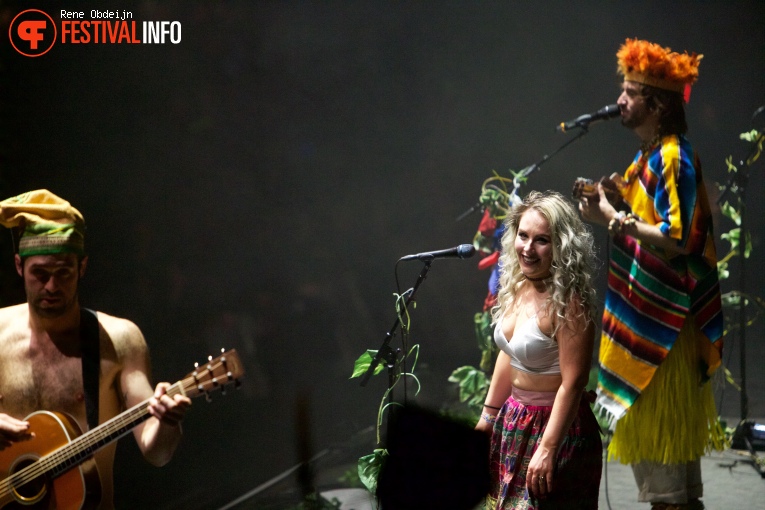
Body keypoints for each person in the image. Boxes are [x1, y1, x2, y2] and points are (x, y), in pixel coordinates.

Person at [578, 39, 725, 510]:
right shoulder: (645, 161)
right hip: (648, 326)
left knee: (670, 497)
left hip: (663, 338)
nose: (619, 101)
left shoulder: (672, 158)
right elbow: (640, 233)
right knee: (671, 496)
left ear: (656, 104)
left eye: (628, 92)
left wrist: (616, 218)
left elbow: (681, 237)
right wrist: (603, 210)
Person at [0, 189, 191, 509]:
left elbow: (156, 453)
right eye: (40, 274)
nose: (51, 286)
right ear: (19, 266)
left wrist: (167, 422)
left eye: (63, 273)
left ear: (82, 267)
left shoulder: (118, 341)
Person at [475, 190, 602, 509]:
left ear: (561, 245)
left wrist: (548, 446)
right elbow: (510, 353)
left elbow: (574, 384)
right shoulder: (517, 287)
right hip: (515, 419)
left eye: (541, 240)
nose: (528, 248)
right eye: (523, 236)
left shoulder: (570, 303)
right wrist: (488, 418)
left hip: (557, 427)